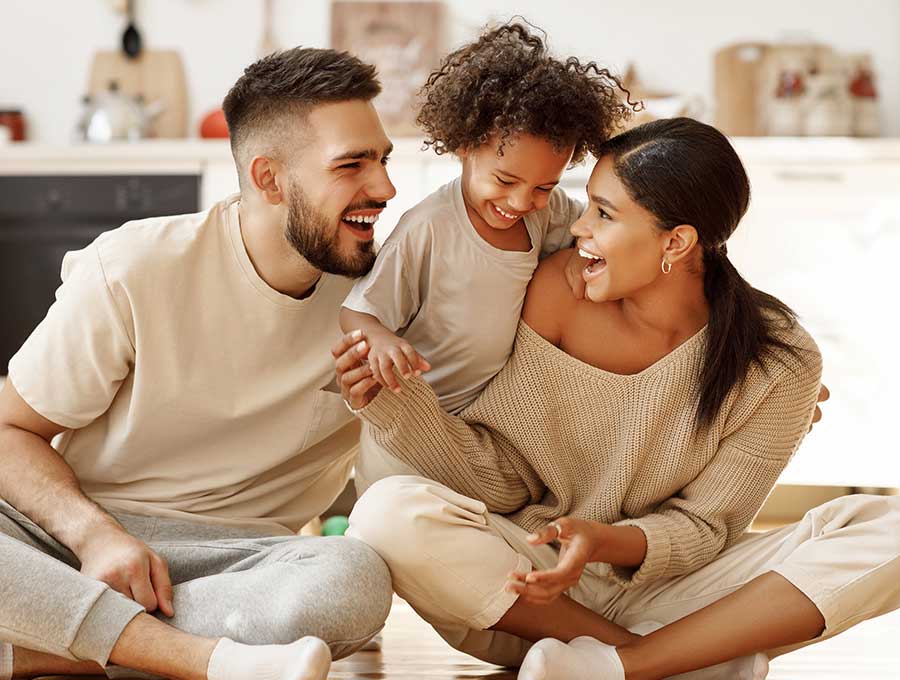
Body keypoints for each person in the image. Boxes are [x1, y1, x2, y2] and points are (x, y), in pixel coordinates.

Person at [334, 118, 899, 679]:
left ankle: (625, 665)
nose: (578, 229)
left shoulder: (779, 359)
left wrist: (605, 540)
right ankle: (669, 664)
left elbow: (706, 529)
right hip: (531, 599)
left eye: (603, 215)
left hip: (678, 593)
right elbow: (504, 476)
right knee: (387, 514)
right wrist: (397, 404)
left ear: (675, 242)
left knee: (890, 525)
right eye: (586, 207)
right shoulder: (561, 292)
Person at [0, 47, 396, 680]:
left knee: (352, 582)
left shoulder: (387, 294)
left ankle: (41, 646)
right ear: (269, 179)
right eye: (352, 164)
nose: (383, 188)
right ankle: (203, 659)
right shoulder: (134, 268)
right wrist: (94, 535)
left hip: (245, 557)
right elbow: (8, 430)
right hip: (78, 541)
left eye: (382, 159)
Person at [340, 22, 630, 490]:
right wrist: (380, 340)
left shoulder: (545, 212)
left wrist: (585, 254)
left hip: (480, 430)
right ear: (464, 146)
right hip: (407, 435)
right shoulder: (429, 228)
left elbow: (587, 231)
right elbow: (357, 312)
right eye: (505, 180)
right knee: (401, 530)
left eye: (543, 186)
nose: (520, 202)